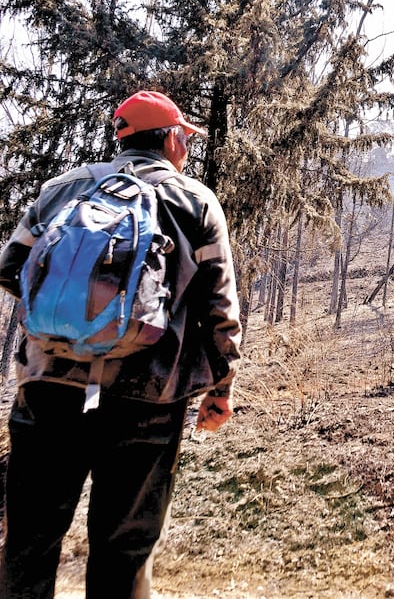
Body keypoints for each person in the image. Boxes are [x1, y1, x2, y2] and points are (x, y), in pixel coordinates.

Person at [0, 90, 242, 598]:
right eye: (185, 139)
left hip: (48, 388)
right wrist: (220, 389)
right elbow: (220, 312)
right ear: (173, 140)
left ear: (123, 139)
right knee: (123, 550)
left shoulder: (63, 189)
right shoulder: (194, 202)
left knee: (30, 542)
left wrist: (72, 314)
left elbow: (10, 269)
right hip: (148, 400)